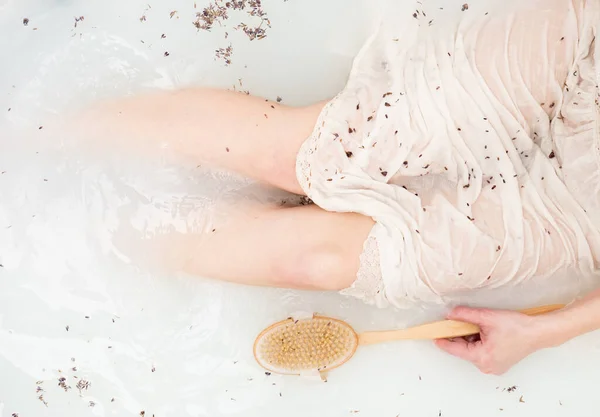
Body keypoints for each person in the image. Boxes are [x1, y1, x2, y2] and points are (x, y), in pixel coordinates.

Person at [63, 0, 600, 374]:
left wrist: (547, 331)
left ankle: (91, 242)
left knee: (314, 261)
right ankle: (41, 137)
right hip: (588, 57)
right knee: (303, 153)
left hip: (584, 208)